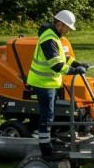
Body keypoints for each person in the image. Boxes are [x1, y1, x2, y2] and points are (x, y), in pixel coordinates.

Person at [26, 10, 85, 157]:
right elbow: (56, 65)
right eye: (68, 28)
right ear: (60, 24)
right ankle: (45, 148)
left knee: (50, 114)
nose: (69, 31)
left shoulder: (54, 36)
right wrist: (74, 71)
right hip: (42, 83)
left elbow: (62, 56)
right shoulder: (49, 39)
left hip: (49, 82)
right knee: (47, 115)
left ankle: (47, 139)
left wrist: (77, 63)